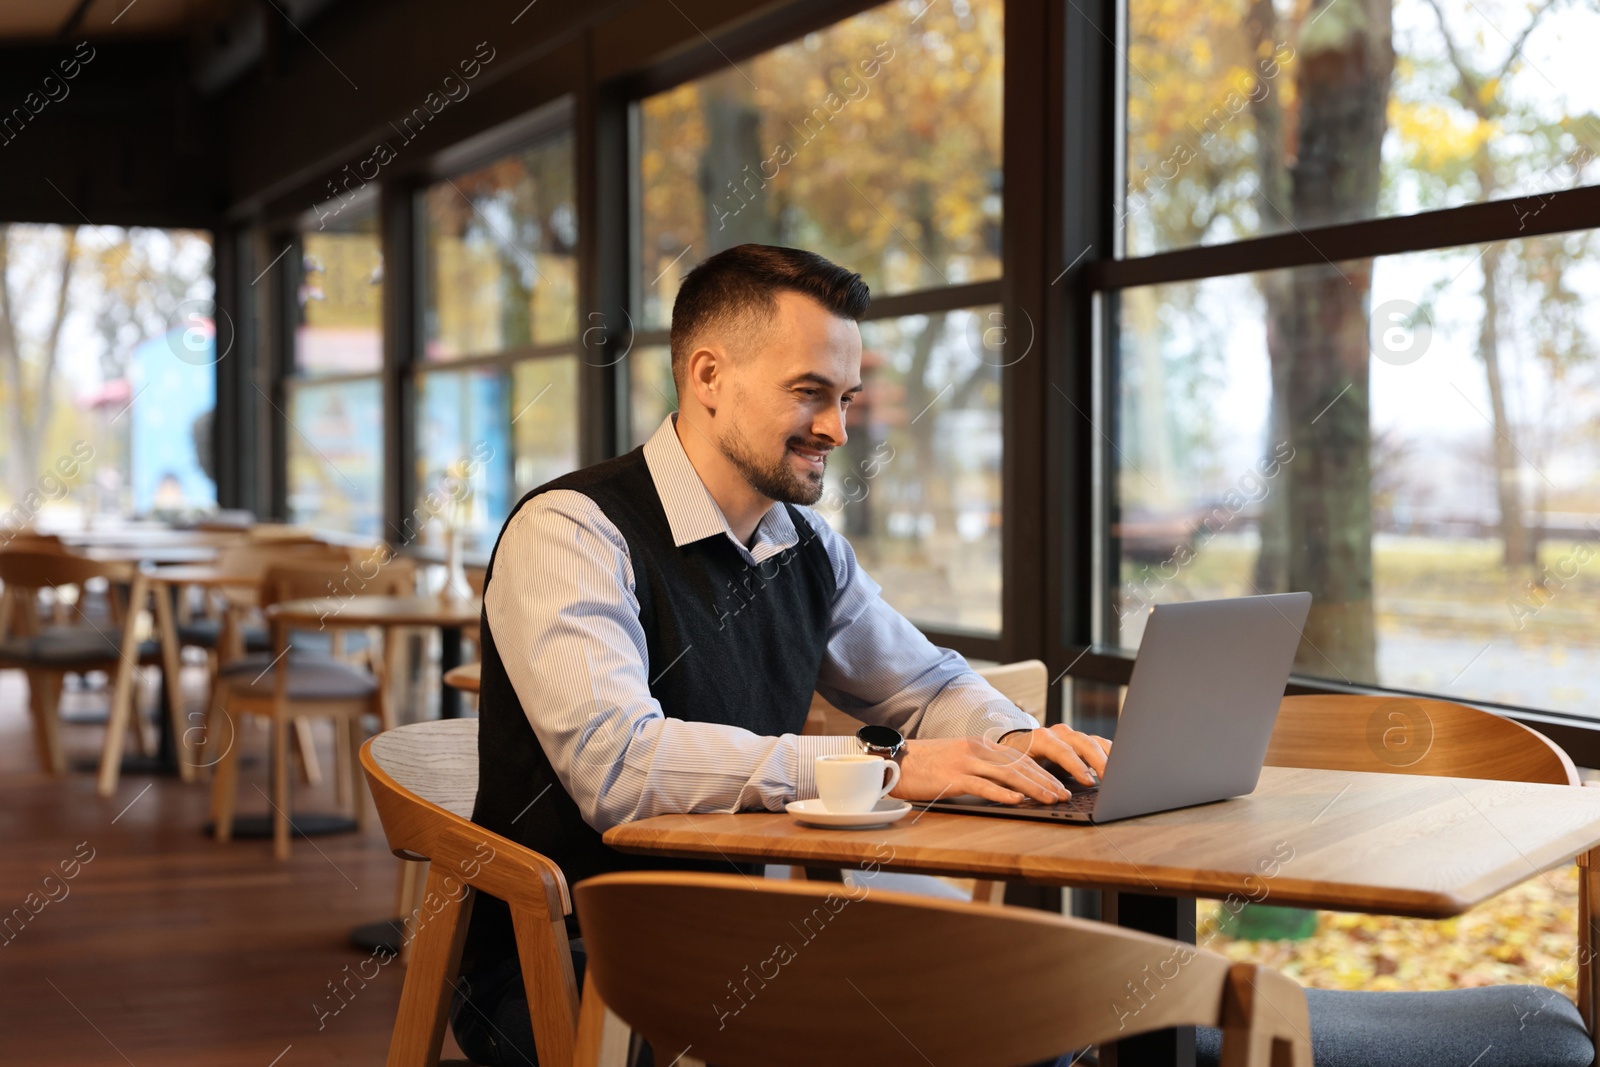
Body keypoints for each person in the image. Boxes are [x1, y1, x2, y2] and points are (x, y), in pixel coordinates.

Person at [452, 244, 1112, 1065]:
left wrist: (1012, 740)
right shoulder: (573, 530)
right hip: (568, 963)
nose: (837, 428)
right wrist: (878, 762)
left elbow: (924, 681)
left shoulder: (805, 545)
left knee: (1033, 1028)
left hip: (738, 946)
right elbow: (618, 766)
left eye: (846, 398)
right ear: (707, 377)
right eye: (809, 394)